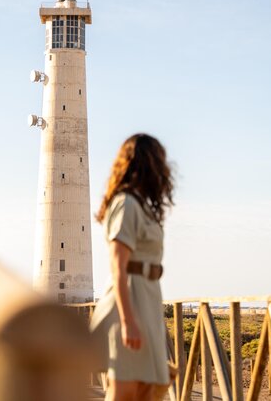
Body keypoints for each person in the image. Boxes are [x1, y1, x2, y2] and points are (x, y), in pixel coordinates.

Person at [90, 133, 175, 401]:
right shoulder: (126, 204)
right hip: (129, 304)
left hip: (147, 301)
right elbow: (118, 263)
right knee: (124, 392)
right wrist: (128, 322)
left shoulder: (142, 206)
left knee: (148, 391)